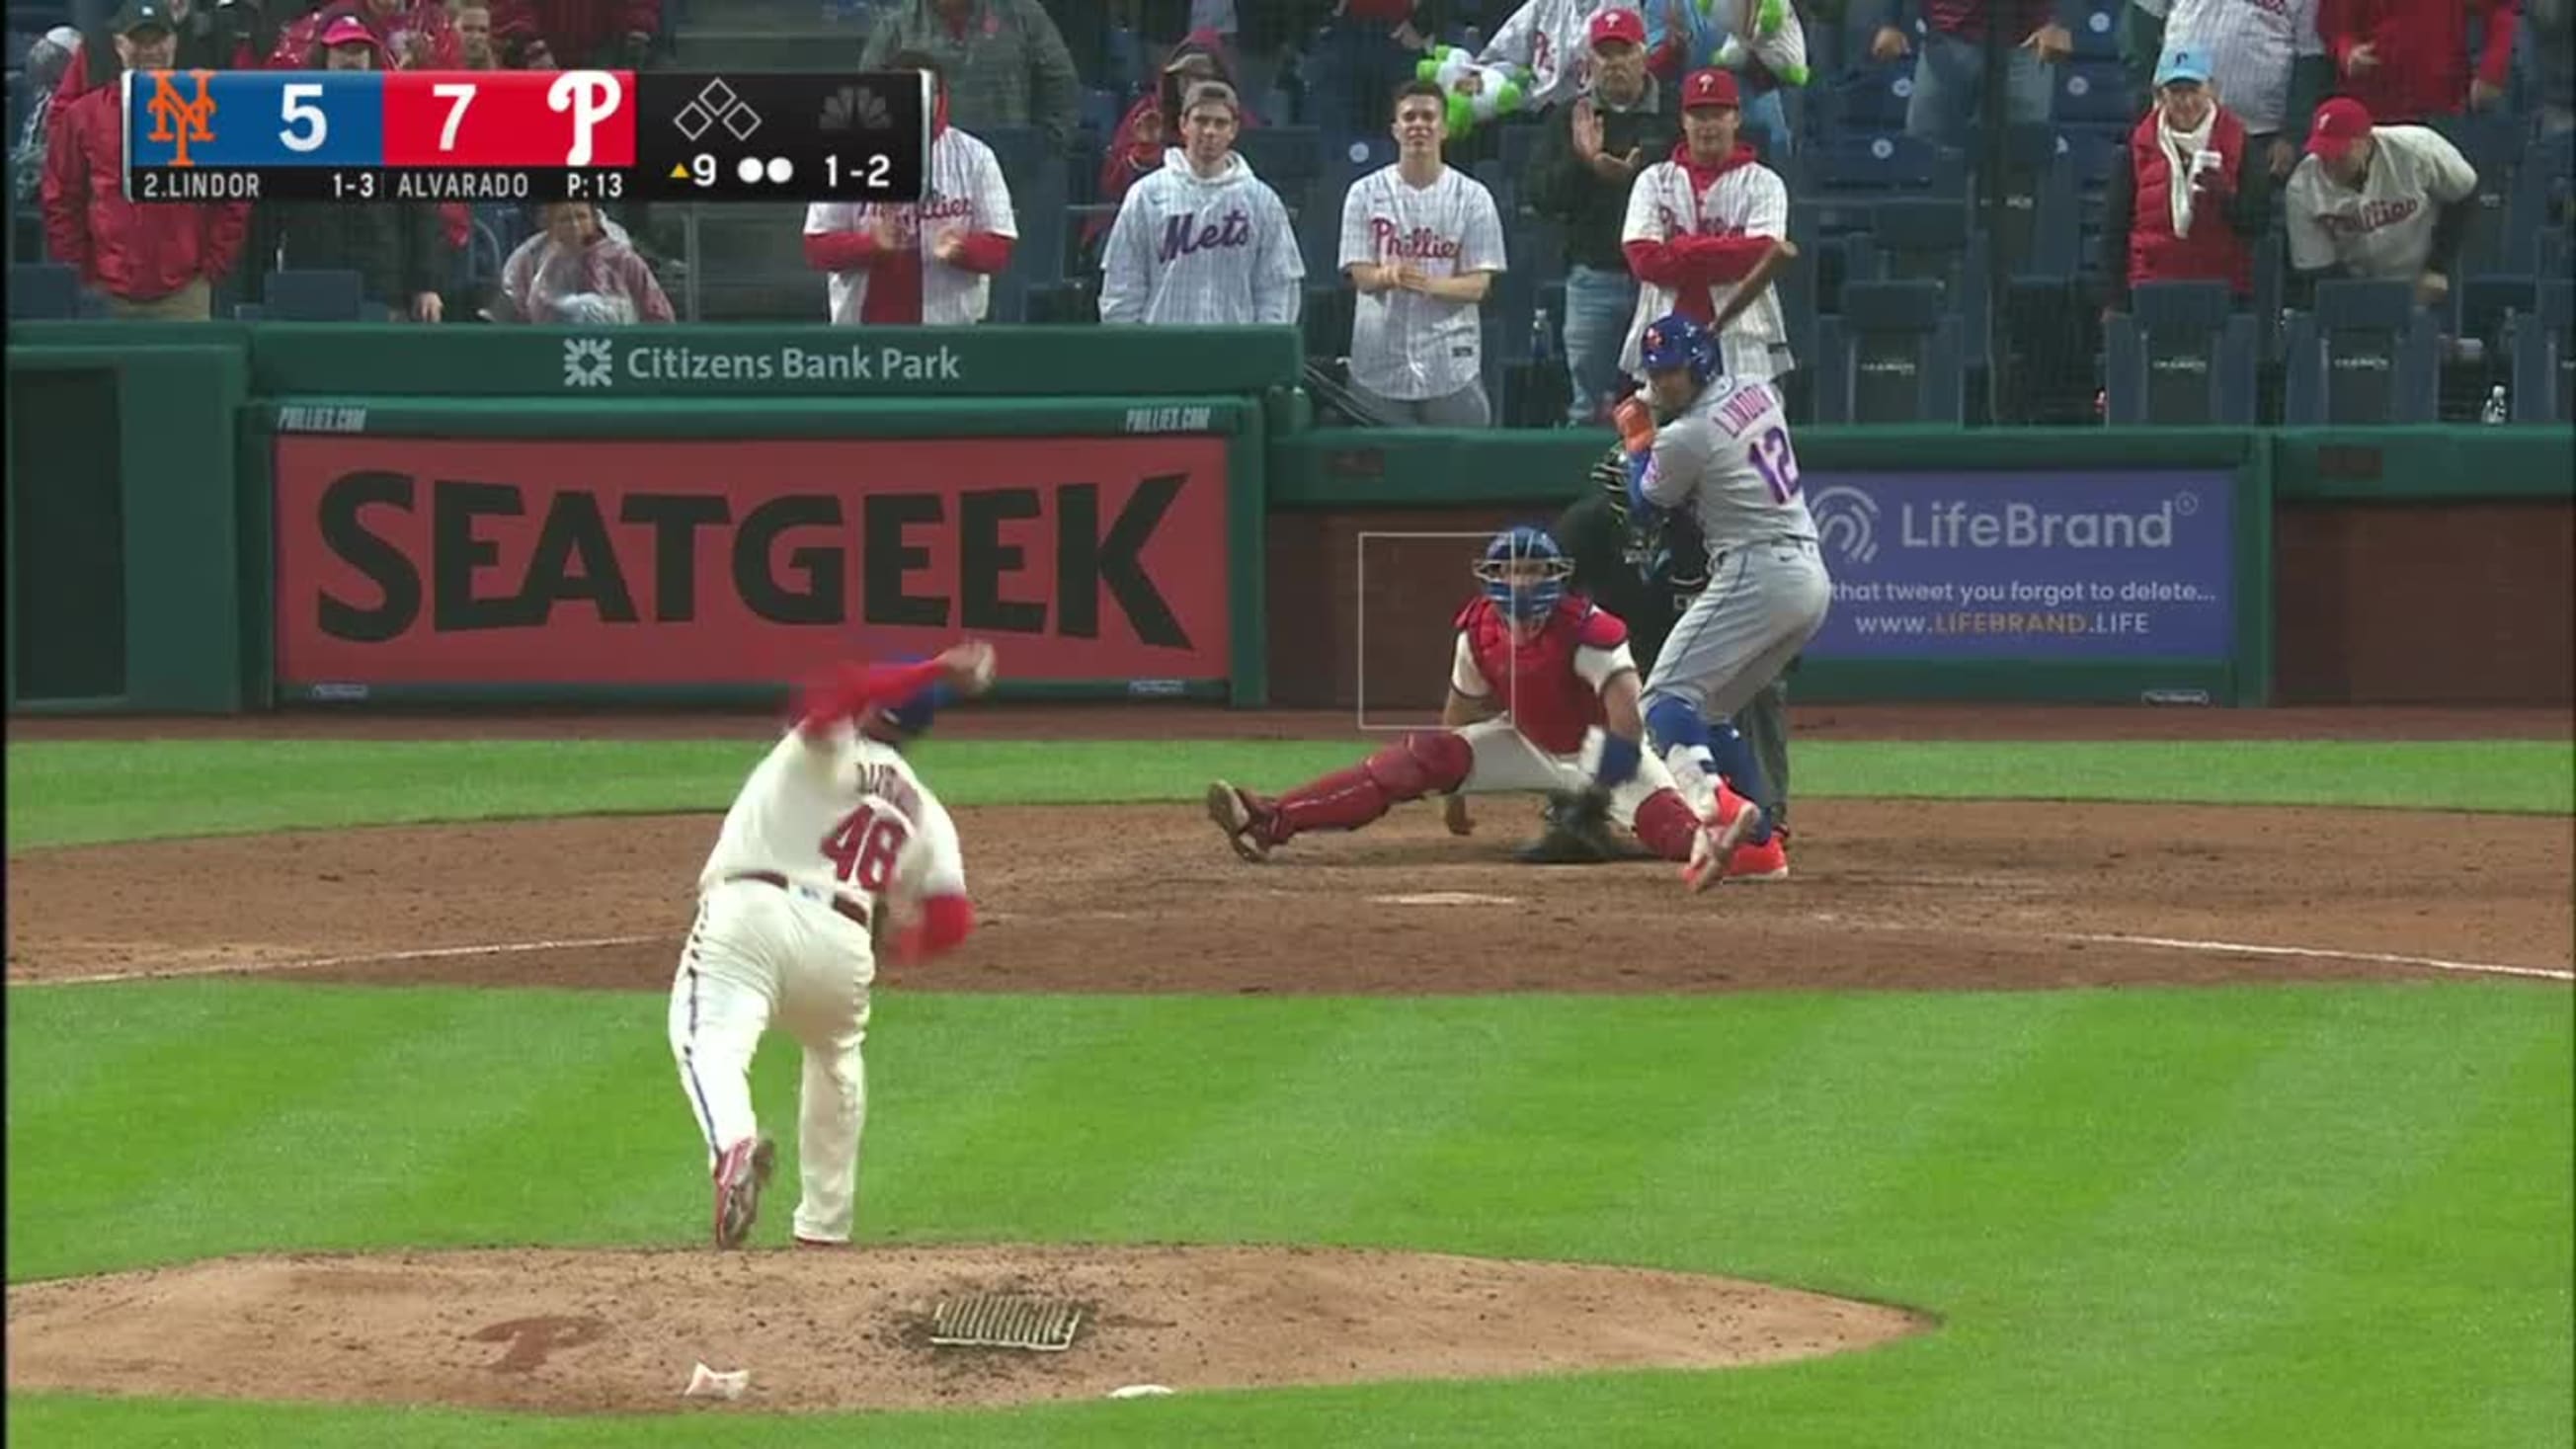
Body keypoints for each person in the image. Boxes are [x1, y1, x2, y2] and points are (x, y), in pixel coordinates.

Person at [674, 643, 994, 1250]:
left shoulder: (824, 742)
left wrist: (933, 670)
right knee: (837, 1058)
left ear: (881, 706)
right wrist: (899, 949)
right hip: (845, 943)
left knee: (710, 1039)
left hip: (753, 914)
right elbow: (951, 919)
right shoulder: (924, 808)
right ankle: (824, 1227)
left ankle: (732, 1145)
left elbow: (841, 687)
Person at [1204, 525, 1749, 882]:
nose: (1521, 579)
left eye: (1533, 570)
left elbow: (1627, 725)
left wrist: (1590, 797)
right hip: (1527, 742)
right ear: (1492, 578)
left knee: (1672, 836)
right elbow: (1459, 711)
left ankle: (1728, 836)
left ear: (1555, 578)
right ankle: (1270, 820)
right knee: (1416, 756)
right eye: (1511, 570)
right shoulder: (1479, 630)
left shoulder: (1589, 630)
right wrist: (1450, 790)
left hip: (1605, 753)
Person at [1623, 312, 1826, 891]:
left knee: (1661, 700)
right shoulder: (1757, 389)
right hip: (1806, 577)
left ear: (1702, 366)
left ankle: (1714, 807)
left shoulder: (1689, 436)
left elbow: (1646, 505)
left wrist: (1638, 439)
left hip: (1755, 569)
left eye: (1675, 375)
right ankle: (1760, 850)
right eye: (1657, 375)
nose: (1664, 384)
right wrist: (1660, 418)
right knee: (1707, 713)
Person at [1536, 443, 1794, 877]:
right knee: (1564, 675)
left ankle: (1765, 812)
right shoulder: (1585, 525)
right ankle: (1576, 806)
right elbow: (1548, 601)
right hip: (1619, 652)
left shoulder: (1714, 528)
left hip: (1700, 649)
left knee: (1764, 683)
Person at [41, 0, 250, 321]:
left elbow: (234, 193)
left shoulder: (206, 112)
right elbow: (62, 198)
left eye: (158, 40)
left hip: (185, 292)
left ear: (174, 43)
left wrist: (212, 264)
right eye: (139, 40)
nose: (150, 51)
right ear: (119, 45)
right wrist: (80, 270)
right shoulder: (83, 116)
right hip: (105, 293)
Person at [1528, 7, 1679, 427]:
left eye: (1624, 51)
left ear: (1643, 54)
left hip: (1663, 282)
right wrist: (1582, 163)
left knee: (1665, 405)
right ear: (1590, 61)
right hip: (1593, 278)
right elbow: (1540, 196)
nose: (1614, 63)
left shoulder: (1673, 112)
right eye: (1604, 53)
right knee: (1587, 408)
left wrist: (1635, 173)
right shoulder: (1569, 118)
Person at [1338, 78, 1509, 426]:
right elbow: (1360, 275)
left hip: (1450, 364)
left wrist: (1426, 283)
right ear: (1395, 129)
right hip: (1377, 360)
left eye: (1428, 117)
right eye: (1409, 117)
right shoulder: (1363, 193)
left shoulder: (1474, 197)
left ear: (1444, 128)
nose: (1419, 125)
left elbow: (1478, 286)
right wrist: (1388, 275)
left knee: (1457, 474)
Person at [803, 51, 1017, 326]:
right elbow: (816, 247)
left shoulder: (976, 156)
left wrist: (961, 250)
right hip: (863, 330)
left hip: (953, 332)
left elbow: (1001, 247)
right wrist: (870, 245)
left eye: (928, 92)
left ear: (942, 97)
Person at [264, 15, 446, 322]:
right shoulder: (293, 127)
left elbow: (422, 210)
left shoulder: (398, 123)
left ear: (370, 59)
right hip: (311, 282)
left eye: (359, 51)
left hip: (383, 284)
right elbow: (268, 213)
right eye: (342, 50)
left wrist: (426, 285)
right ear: (325, 58)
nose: (352, 59)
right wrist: (262, 282)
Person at [1620, 67, 1793, 390]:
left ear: (1736, 118)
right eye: (1699, 115)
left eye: (1717, 114)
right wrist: (1721, 251)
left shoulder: (1765, 183)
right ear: (1684, 120)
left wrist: (1681, 248)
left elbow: (1761, 255)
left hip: (1743, 337)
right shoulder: (1653, 180)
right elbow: (1643, 259)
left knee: (1748, 436)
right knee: (1662, 439)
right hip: (1664, 336)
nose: (1708, 125)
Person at [1098, 81, 1304, 327]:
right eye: (1201, 120)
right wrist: (1130, 348)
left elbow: (1277, 288)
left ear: (1234, 130)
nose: (1209, 131)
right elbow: (1123, 283)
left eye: (1220, 123)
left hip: (1236, 354)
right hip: (1162, 352)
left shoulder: (1262, 201)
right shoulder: (1146, 195)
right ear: (1183, 124)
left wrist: (1263, 350)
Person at [2099, 46, 2270, 316]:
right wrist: (2114, 299)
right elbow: (2114, 227)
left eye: (2194, 90)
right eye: (2176, 92)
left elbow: (2258, 224)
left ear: (2211, 90)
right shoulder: (2135, 147)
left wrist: (2225, 198)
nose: (2186, 101)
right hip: (2150, 284)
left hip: (2222, 286)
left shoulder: (2242, 145)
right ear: (2160, 95)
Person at [2284, 97, 2478, 311]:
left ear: (2366, 142)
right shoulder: (2302, 186)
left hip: (2423, 276)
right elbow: (2317, 268)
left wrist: (2437, 267)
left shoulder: (2418, 148)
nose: (2330, 163)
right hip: (2354, 284)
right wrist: (2365, 303)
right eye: (2323, 153)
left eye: (2340, 155)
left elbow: (2464, 192)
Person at [2121, 0, 2331, 179]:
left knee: (2245, 219)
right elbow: (2139, 25)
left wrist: (2291, 135)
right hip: (2177, 120)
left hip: (2257, 132)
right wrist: (2153, 92)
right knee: (2164, 213)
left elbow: (2310, 59)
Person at [859, 0, 1082, 153]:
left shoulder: (1023, 13)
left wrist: (1048, 148)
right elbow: (867, 98)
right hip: (925, 160)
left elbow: (1061, 81)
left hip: (1013, 162)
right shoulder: (896, 27)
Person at [1866, 0, 2071, 150]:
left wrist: (2057, 22)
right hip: (1949, 37)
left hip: (2026, 42)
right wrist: (1889, 23)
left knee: (2023, 150)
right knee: (1929, 146)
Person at [2316, 0, 2515, 124]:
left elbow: (2500, 11)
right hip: (2373, 105)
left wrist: (2491, 71)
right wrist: (2348, 53)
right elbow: (2334, 26)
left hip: (2441, 102)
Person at [496, 200, 676, 323]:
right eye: (565, 219)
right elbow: (506, 317)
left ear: (593, 219)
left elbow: (660, 317)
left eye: (581, 217)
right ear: (549, 222)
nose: (575, 226)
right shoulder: (528, 258)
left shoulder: (623, 259)